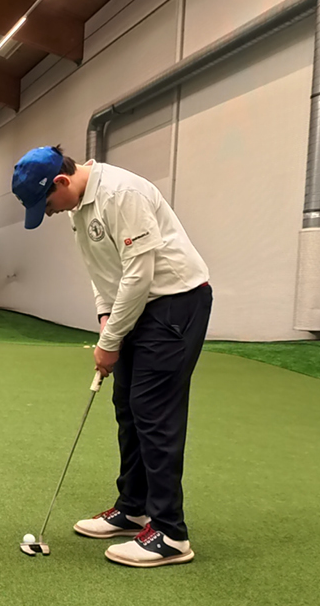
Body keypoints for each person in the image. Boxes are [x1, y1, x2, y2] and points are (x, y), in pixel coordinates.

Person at [12, 145, 211, 569]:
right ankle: (133, 508)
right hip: (138, 306)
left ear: (61, 181)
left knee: (153, 411)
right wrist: (105, 318)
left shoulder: (122, 193)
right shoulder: (78, 207)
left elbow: (139, 273)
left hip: (175, 302)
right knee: (127, 406)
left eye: (46, 203)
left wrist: (111, 341)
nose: (48, 212)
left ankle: (170, 533)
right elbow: (101, 270)